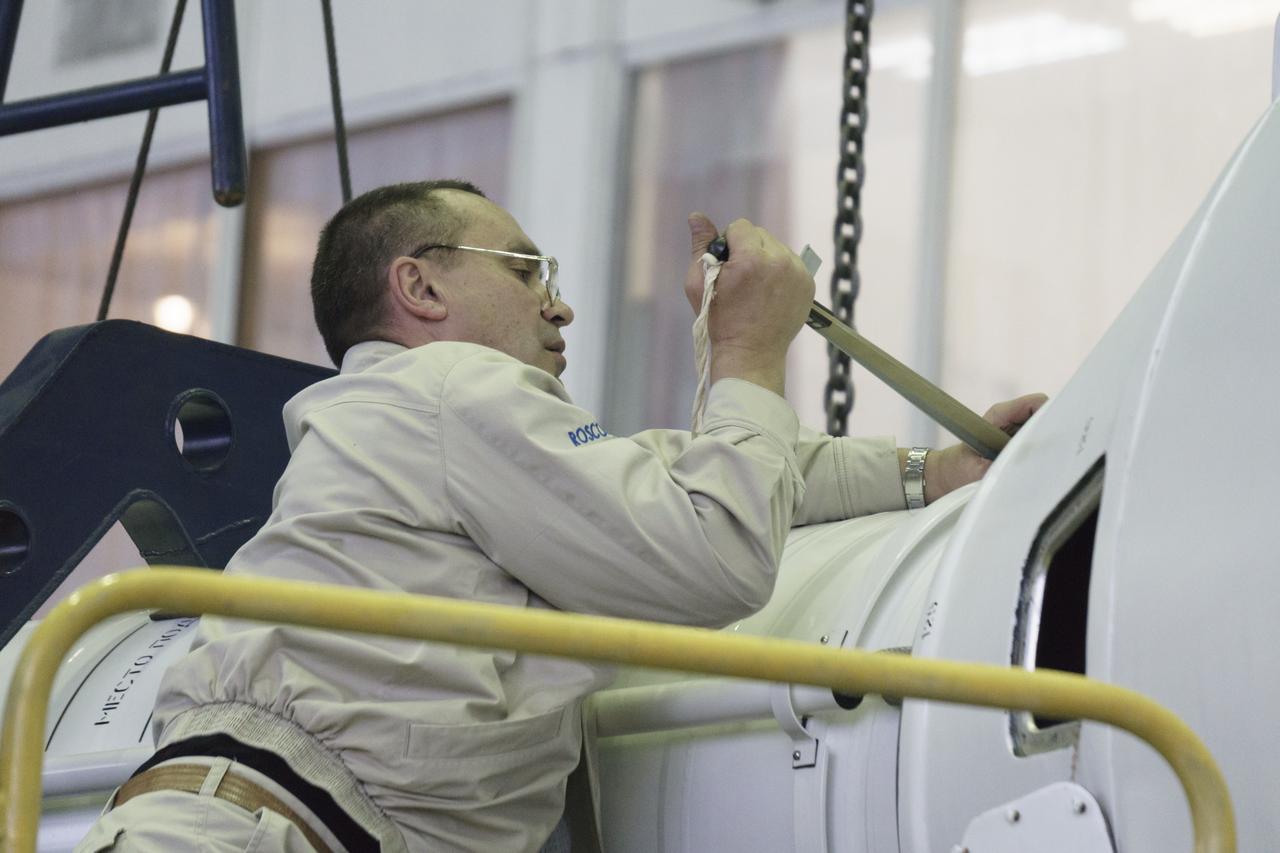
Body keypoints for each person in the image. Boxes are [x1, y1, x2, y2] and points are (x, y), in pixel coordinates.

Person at [77, 179, 1043, 853]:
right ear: (419, 286)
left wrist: (932, 469)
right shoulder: (449, 387)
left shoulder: (420, 424)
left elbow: (683, 476)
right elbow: (714, 555)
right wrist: (750, 354)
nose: (562, 305)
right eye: (526, 269)